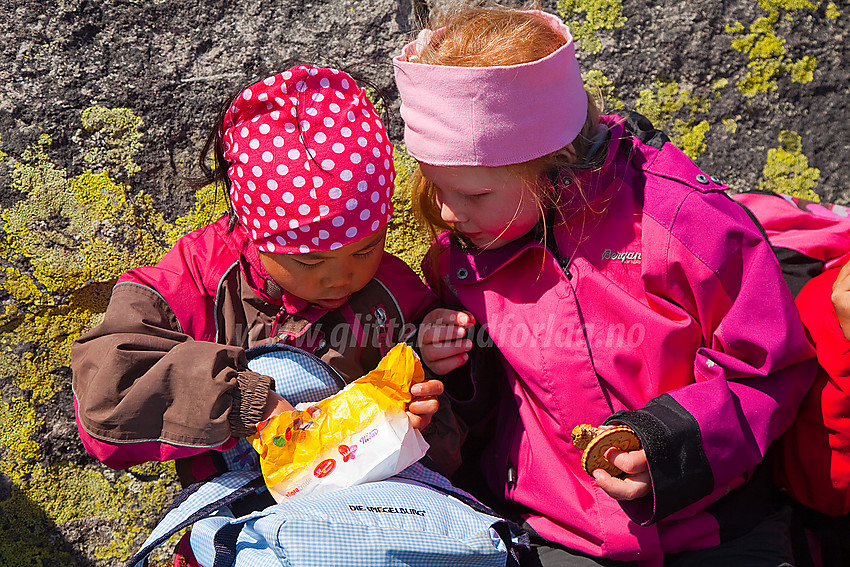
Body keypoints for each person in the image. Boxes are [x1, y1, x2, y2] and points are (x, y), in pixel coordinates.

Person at [393, 7, 817, 567]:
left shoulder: (683, 223)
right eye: (435, 184)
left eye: (474, 195)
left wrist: (670, 444)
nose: (448, 213)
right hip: (556, 530)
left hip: (712, 521)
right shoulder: (461, 261)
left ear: (553, 163)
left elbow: (769, 366)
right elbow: (493, 407)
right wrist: (456, 369)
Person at [72, 65, 463, 564]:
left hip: (377, 519)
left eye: (366, 249)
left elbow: (460, 445)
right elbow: (108, 400)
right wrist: (243, 404)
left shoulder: (394, 292)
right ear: (254, 231)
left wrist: (426, 401)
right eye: (309, 261)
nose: (340, 279)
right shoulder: (186, 287)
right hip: (247, 523)